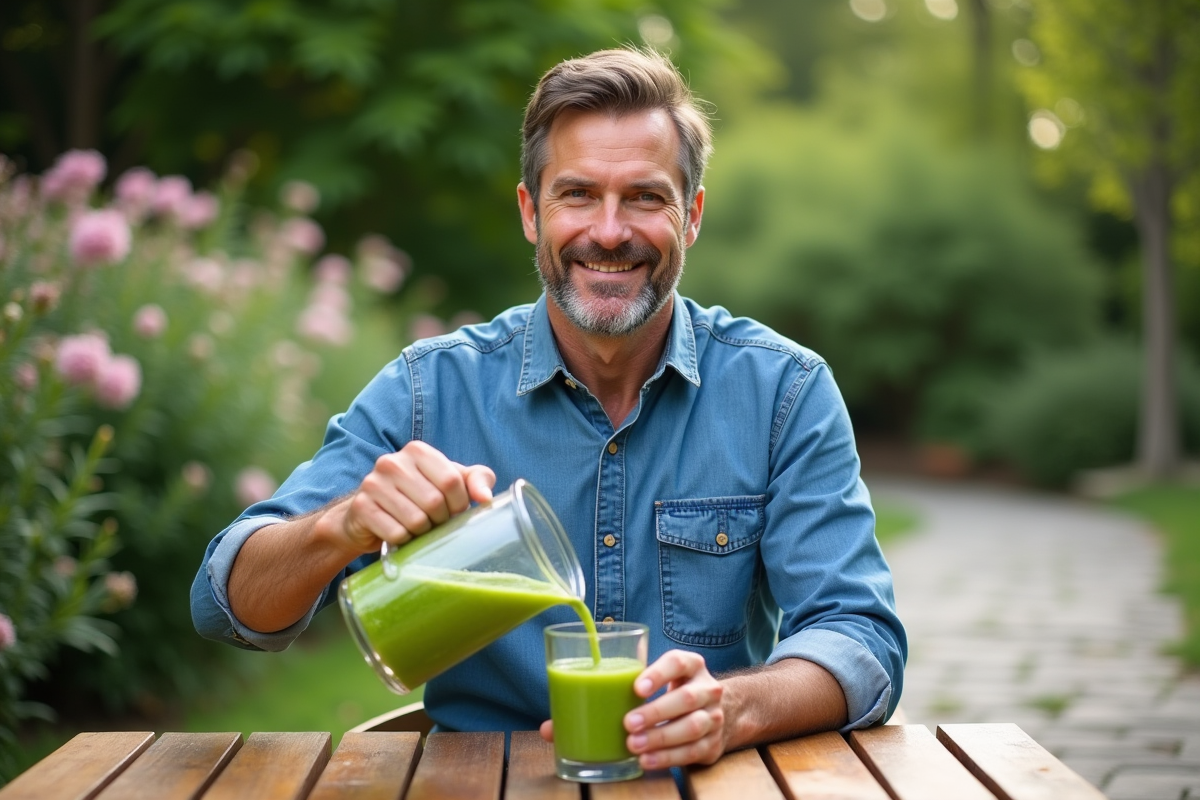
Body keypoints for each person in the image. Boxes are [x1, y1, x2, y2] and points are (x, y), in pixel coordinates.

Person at [191, 47, 906, 770]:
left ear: (690, 217)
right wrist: (341, 523)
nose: (608, 230)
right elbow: (225, 606)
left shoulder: (782, 392)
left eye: (645, 197)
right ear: (532, 212)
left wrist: (733, 708)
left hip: (697, 783)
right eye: (577, 195)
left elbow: (861, 639)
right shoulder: (430, 389)